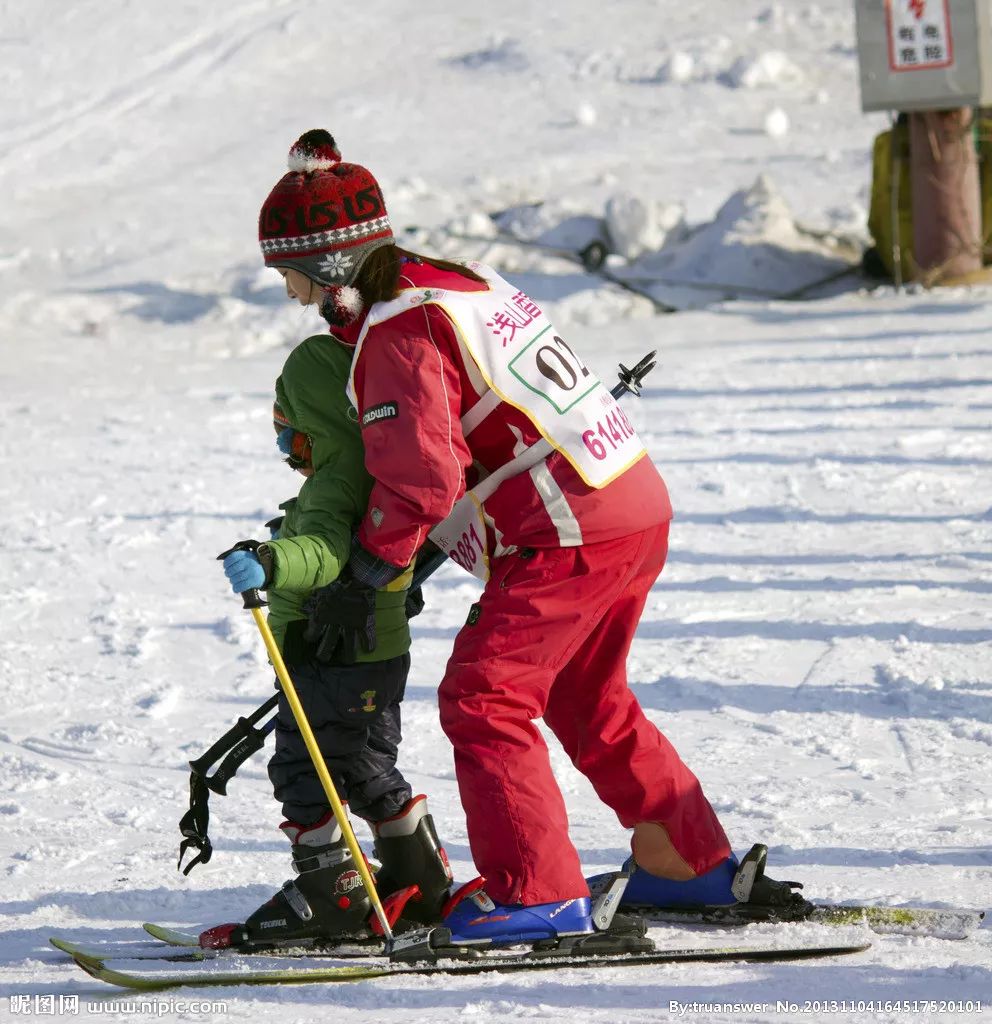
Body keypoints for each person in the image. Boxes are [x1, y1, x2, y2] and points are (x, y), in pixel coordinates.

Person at [254, 129, 806, 948]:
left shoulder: (398, 329)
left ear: (333, 269)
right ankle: (683, 859)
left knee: (483, 697)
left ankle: (534, 895)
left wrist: (364, 575)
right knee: (587, 695)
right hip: (629, 497)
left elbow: (421, 479)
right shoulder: (452, 281)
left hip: (569, 526)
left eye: (293, 273)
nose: (293, 293)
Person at [205, 331, 451, 950]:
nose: (285, 448)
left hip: (330, 659)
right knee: (366, 764)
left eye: (287, 431)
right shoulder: (381, 475)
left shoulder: (334, 484)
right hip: (375, 658)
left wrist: (270, 559)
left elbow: (322, 551)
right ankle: (419, 878)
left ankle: (332, 898)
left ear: (316, 422)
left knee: (302, 771)